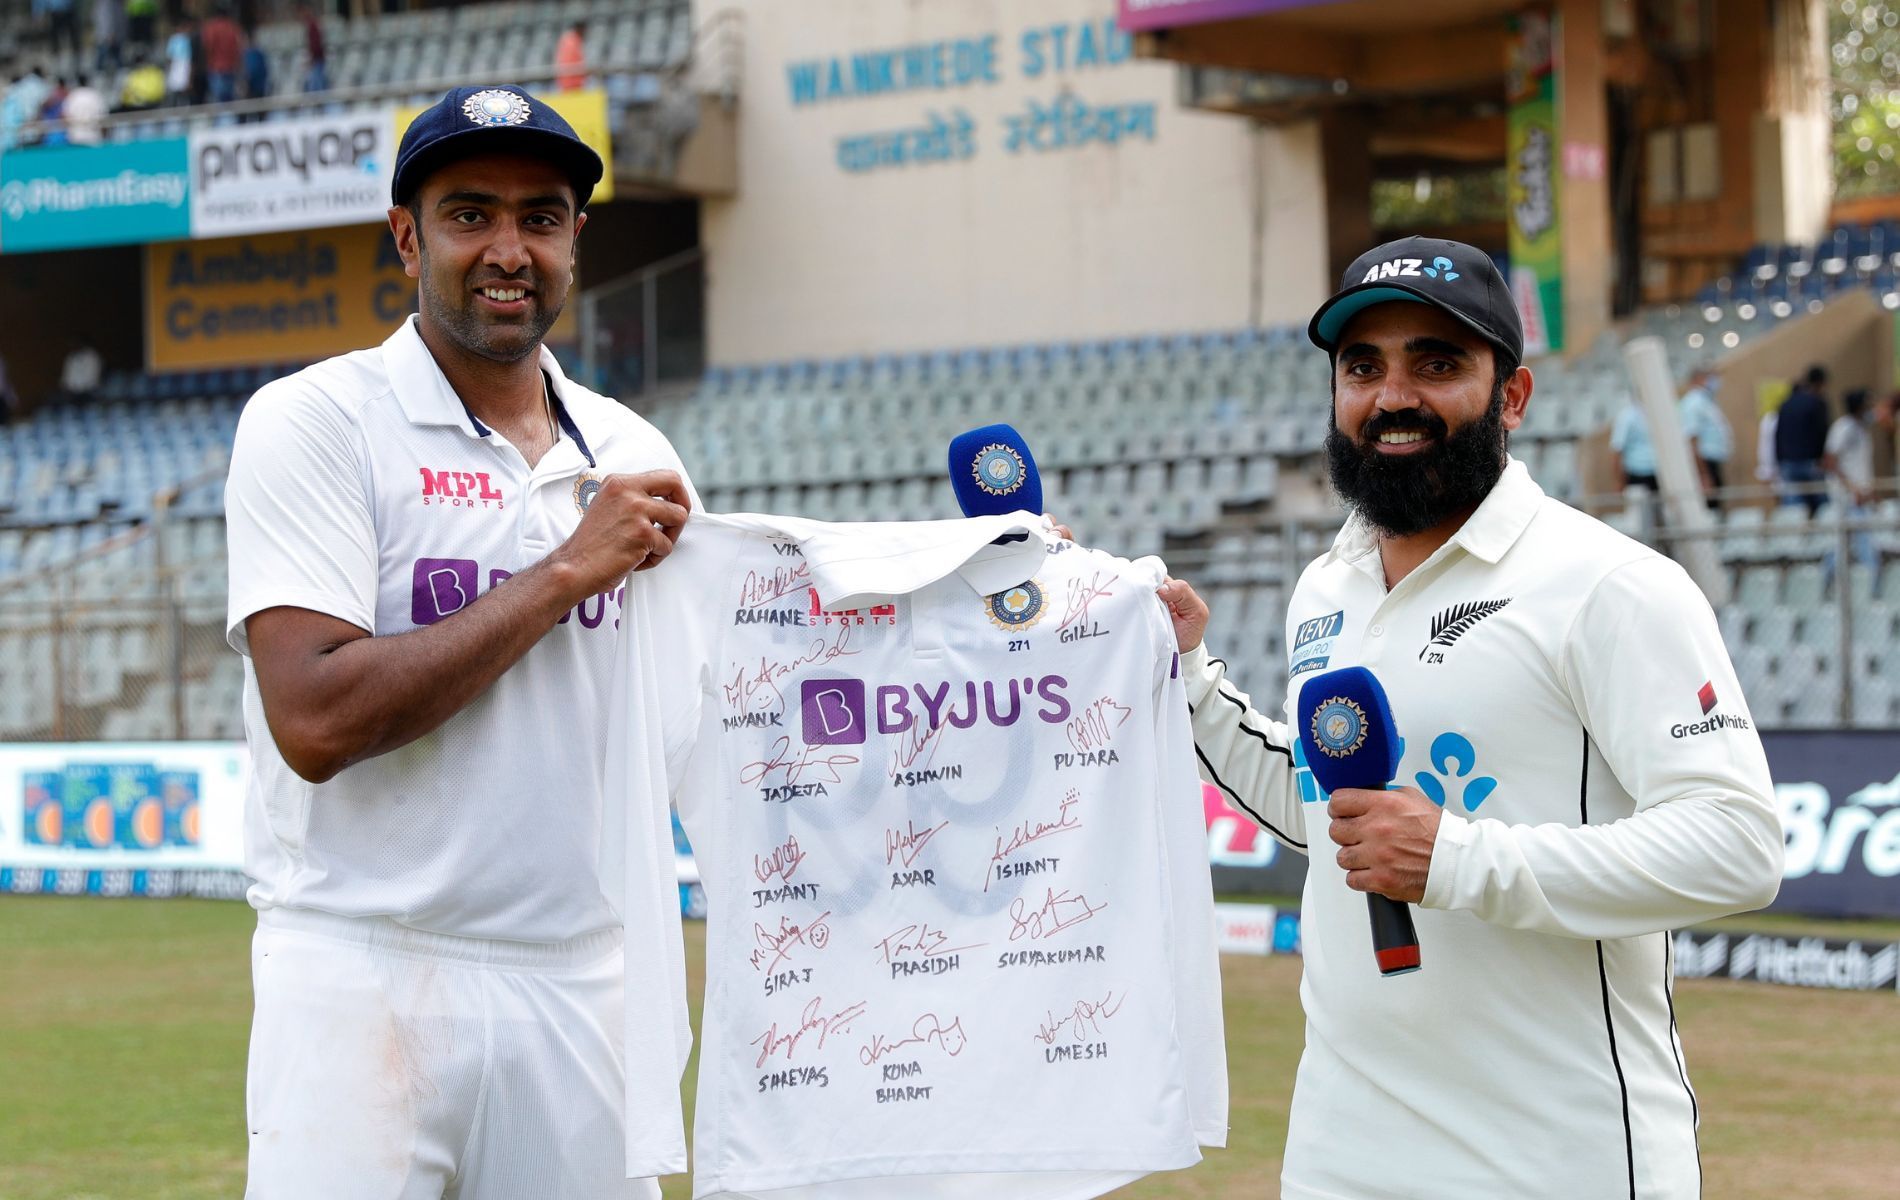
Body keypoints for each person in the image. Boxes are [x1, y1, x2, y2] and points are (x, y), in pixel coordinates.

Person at [1157, 235, 1780, 1199]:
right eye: (1363, 367)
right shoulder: (1328, 585)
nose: (1392, 396)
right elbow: (1336, 818)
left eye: (1437, 364)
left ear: (1513, 397)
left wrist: (1456, 859)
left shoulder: (1611, 586)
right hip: (1342, 1150)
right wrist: (1185, 672)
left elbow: (1737, 846)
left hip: (1557, 1157)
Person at [224, 84, 694, 1199]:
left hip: (581, 976)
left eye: (540, 218)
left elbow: (742, 702)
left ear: (575, 240)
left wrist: (1030, 613)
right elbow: (317, 719)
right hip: (361, 967)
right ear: (406, 236)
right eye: (468, 213)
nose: (508, 249)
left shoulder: (632, 448)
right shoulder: (315, 421)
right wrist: (567, 571)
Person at [1822, 388, 1883, 583]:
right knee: (1857, 543)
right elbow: (1830, 461)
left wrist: (1869, 491)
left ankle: (1828, 580)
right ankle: (1873, 585)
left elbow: (1860, 466)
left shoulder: (1860, 428)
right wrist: (1853, 488)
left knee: (1847, 544)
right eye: (1867, 404)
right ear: (1858, 406)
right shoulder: (1843, 428)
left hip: (1861, 496)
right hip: (1847, 497)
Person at [1775, 364, 1832, 516]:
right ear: (1820, 382)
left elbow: (1777, 435)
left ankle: (1797, 539)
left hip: (1788, 461)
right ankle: (1823, 538)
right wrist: (1822, 457)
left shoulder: (1786, 404)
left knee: (1794, 508)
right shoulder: (1817, 402)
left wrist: (1780, 459)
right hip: (1811, 461)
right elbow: (1822, 432)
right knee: (1822, 507)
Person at [1678, 366, 1732, 510]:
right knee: (1710, 508)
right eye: (1708, 378)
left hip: (1712, 460)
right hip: (1704, 463)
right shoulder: (1692, 403)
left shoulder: (1706, 401)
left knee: (1717, 504)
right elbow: (1692, 440)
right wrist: (1703, 475)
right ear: (1697, 379)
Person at [200, 3, 241, 104]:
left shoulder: (211, 28)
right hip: (230, 66)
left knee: (218, 99)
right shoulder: (232, 27)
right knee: (230, 98)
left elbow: (208, 46)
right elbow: (238, 47)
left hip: (215, 67)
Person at [58, 337, 102, 402]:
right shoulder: (70, 357)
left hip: (88, 391)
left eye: (75, 343)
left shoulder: (92, 356)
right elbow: (66, 378)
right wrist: (66, 388)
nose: (73, 345)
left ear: (82, 344)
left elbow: (92, 379)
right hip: (71, 392)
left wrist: (77, 390)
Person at [298, 2, 326, 92]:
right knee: (316, 83)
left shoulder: (313, 26)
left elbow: (316, 44)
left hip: (317, 59)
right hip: (316, 58)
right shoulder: (311, 25)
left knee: (317, 84)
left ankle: (320, 104)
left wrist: (312, 58)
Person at [556, 19, 588, 91]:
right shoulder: (571, 42)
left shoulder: (568, 40)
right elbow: (570, 63)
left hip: (569, 82)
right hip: (572, 83)